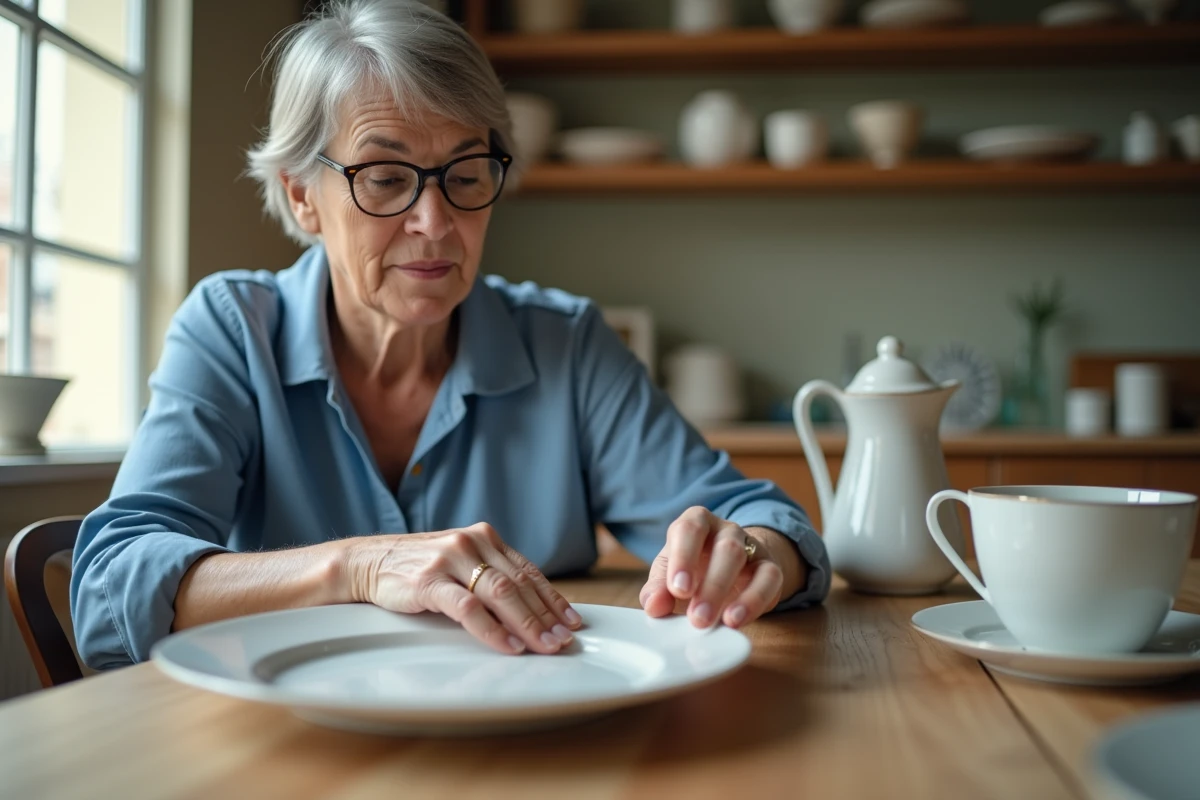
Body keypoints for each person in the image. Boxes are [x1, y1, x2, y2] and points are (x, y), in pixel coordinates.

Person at [70, 0, 830, 669]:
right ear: (303, 198)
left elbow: (764, 518)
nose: (436, 225)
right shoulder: (233, 331)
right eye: (385, 178)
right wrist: (359, 568)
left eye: (466, 175)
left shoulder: (564, 343)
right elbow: (110, 586)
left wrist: (752, 553)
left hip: (533, 731)